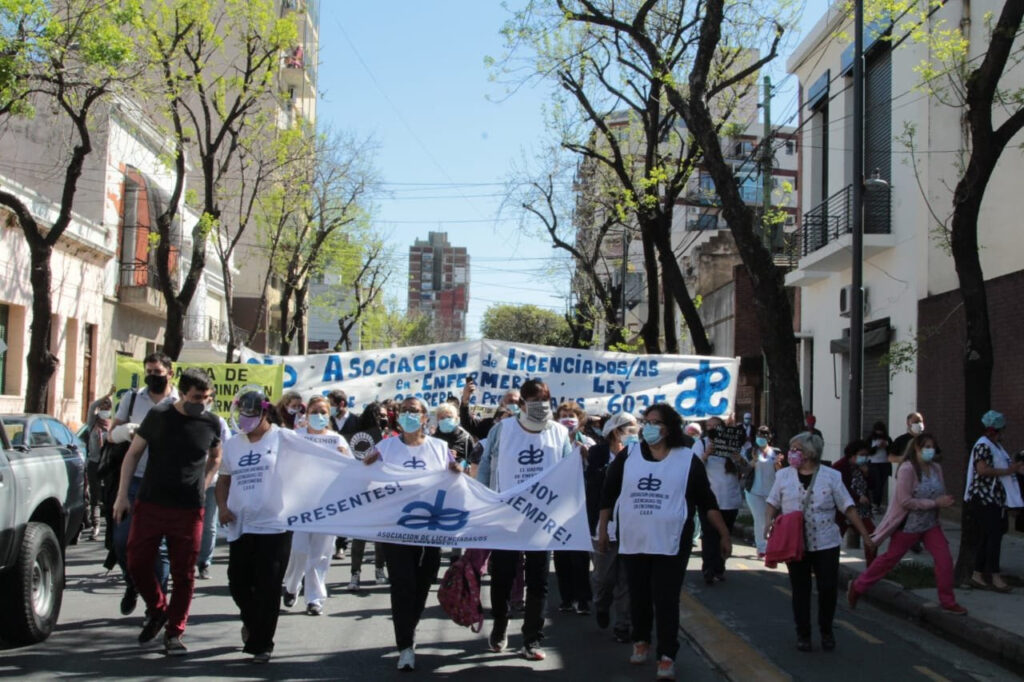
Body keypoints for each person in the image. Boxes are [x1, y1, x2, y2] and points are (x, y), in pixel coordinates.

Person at [598, 403, 732, 681]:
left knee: (666, 598)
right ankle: (641, 639)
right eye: (645, 421)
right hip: (634, 540)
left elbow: (707, 500)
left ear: (669, 427)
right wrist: (602, 529)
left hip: (672, 543)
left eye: (655, 422)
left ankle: (667, 655)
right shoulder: (629, 456)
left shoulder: (687, 460)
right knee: (639, 595)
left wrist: (724, 534)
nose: (647, 426)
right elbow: (609, 493)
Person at [111, 368, 223, 655]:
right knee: (136, 560)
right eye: (198, 397)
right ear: (182, 393)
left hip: (189, 509)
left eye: (207, 397)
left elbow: (216, 457)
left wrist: (205, 483)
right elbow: (133, 453)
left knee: (184, 573)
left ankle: (175, 632)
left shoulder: (212, 423)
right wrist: (122, 495)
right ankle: (158, 608)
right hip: (151, 502)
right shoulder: (159, 416)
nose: (203, 402)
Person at [362, 397, 463, 671]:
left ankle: (410, 623)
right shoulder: (386, 447)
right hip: (395, 529)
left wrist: (457, 470)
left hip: (430, 530)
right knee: (402, 584)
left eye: (414, 411)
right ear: (398, 417)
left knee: (423, 581)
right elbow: (364, 476)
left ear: (423, 418)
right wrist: (365, 465)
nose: (408, 414)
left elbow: (455, 481)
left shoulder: (440, 448)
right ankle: (405, 645)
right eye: (404, 410)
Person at [477, 379, 572, 661]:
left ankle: (532, 638)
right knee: (503, 577)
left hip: (542, 518)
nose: (542, 408)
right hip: (506, 517)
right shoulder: (501, 430)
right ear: (521, 404)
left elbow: (568, 470)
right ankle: (500, 625)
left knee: (539, 579)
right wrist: (483, 502)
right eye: (535, 403)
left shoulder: (558, 433)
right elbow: (484, 467)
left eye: (546, 402)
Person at [765, 432, 875, 653]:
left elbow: (847, 506)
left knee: (827, 587)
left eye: (796, 449)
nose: (791, 453)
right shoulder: (783, 476)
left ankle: (826, 630)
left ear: (810, 452)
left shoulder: (831, 476)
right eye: (791, 449)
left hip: (826, 541)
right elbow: (772, 502)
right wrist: (767, 523)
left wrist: (865, 535)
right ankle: (803, 633)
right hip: (795, 543)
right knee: (800, 589)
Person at [849, 433, 966, 614]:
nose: (930, 450)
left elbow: (940, 491)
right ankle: (858, 586)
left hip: (930, 525)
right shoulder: (907, 469)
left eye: (932, 447)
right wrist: (934, 503)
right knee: (889, 560)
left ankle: (948, 600)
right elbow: (905, 501)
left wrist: (943, 501)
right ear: (917, 448)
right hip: (908, 525)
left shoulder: (936, 468)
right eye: (926, 447)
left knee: (944, 559)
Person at [217, 389, 293, 663]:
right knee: (238, 582)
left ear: (265, 412)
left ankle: (262, 644)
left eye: (253, 414)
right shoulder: (234, 444)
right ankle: (252, 622)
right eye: (243, 415)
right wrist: (223, 508)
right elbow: (224, 479)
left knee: (268, 586)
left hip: (276, 526)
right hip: (241, 524)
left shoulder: (284, 438)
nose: (247, 420)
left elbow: (318, 458)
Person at [108, 352, 177, 616]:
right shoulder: (133, 398)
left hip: (166, 484)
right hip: (134, 480)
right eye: (148, 371)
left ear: (170, 373)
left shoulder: (180, 400)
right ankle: (133, 582)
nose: (152, 377)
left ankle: (156, 604)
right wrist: (124, 432)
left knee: (160, 549)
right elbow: (112, 436)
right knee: (123, 541)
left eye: (157, 372)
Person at [282, 395, 350, 615]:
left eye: (323, 412)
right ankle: (292, 586)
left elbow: (352, 470)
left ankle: (314, 598)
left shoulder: (337, 440)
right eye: (315, 411)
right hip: (300, 503)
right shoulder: (296, 437)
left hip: (327, 504)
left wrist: (344, 459)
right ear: (307, 413)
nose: (319, 416)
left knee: (320, 553)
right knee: (299, 550)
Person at [585, 412, 637, 643]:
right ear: (616, 431)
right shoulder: (597, 453)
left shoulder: (641, 453)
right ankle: (601, 605)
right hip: (602, 524)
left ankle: (623, 625)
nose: (634, 432)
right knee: (603, 578)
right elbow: (593, 484)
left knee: (626, 580)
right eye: (629, 428)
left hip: (630, 526)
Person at [964, 410, 1024, 592]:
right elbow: (982, 470)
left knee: (988, 536)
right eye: (1000, 430)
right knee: (993, 537)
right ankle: (994, 575)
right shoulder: (983, 446)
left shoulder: (996, 447)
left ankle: (978, 574)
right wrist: (1008, 471)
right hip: (984, 499)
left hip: (995, 500)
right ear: (994, 430)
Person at [554, 401, 595, 615]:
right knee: (561, 555)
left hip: (580, 504)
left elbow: (595, 471)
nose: (568, 419)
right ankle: (567, 598)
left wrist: (587, 456)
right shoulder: (552, 440)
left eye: (572, 415)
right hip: (556, 503)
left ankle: (584, 598)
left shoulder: (587, 442)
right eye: (564, 415)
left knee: (579, 555)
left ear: (579, 420)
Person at [345, 402, 390, 590]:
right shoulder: (358, 436)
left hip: (382, 492)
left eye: (386, 415)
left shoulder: (390, 437)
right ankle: (355, 574)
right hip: (361, 490)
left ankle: (380, 569)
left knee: (381, 536)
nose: (384, 418)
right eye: (380, 415)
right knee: (360, 536)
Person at [700, 416, 748, 584]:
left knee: (724, 533)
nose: (712, 429)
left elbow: (746, 468)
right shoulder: (702, 443)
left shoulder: (733, 444)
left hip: (729, 499)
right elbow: (693, 466)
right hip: (709, 499)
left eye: (715, 426)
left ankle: (719, 567)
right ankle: (708, 567)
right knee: (709, 535)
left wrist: (738, 459)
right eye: (709, 426)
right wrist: (706, 455)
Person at [196, 392, 231, 580]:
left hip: (212, 481)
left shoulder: (218, 423)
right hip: (186, 481)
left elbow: (225, 450)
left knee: (209, 524)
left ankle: (204, 562)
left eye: (207, 398)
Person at [744, 425, 782, 558]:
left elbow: (781, 472)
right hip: (754, 491)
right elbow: (745, 470)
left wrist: (778, 463)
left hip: (771, 492)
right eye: (759, 435)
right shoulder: (750, 451)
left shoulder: (776, 452)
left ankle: (772, 545)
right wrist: (754, 461)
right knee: (760, 518)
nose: (762, 437)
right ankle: (762, 548)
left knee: (770, 520)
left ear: (769, 437)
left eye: (764, 435)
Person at [85, 393, 114, 541]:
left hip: (108, 464)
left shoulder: (113, 424)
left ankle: (110, 528)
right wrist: (106, 396)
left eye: (107, 406)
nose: (104, 408)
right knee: (95, 497)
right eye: (102, 406)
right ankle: (95, 527)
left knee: (109, 496)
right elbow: (92, 407)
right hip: (94, 463)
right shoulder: (93, 423)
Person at [433, 401, 475, 468]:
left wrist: (459, 460)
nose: (446, 420)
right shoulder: (433, 439)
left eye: (449, 417)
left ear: (456, 419)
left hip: (459, 476)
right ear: (437, 420)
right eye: (442, 418)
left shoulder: (465, 438)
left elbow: (474, 462)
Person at [866, 421, 893, 515]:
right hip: (874, 463)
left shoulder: (887, 439)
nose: (879, 433)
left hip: (884, 463)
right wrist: (877, 446)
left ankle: (878, 504)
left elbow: (892, 450)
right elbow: (868, 451)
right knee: (876, 484)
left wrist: (886, 446)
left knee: (881, 485)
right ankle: (874, 504)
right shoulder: (871, 439)